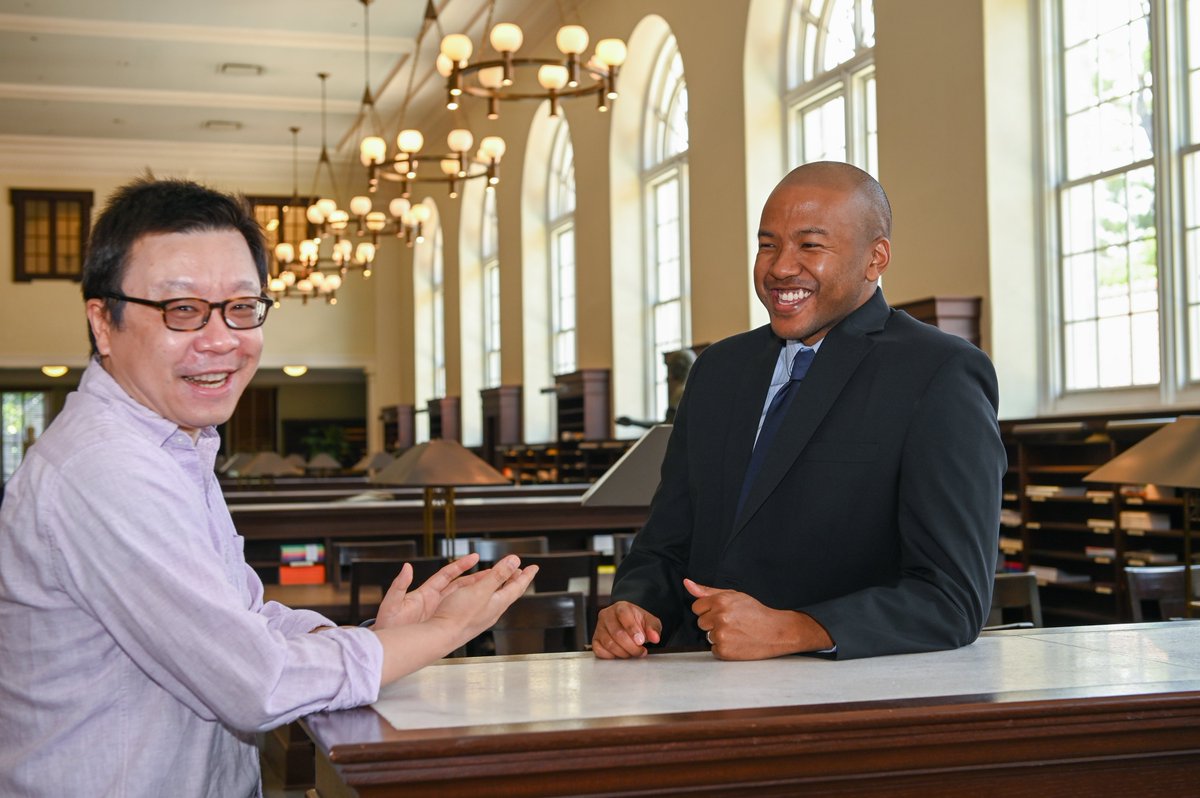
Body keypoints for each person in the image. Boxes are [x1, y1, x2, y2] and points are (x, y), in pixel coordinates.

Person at [0, 177, 537, 797]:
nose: (221, 339)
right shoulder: (106, 468)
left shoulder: (175, 444)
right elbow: (256, 682)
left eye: (242, 307)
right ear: (104, 322)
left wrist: (374, 638)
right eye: (182, 310)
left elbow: (241, 619)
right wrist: (441, 632)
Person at [593, 161, 1005, 662]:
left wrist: (798, 629)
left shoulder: (940, 373)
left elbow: (952, 599)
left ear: (876, 258)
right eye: (768, 244)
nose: (781, 267)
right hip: (696, 684)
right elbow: (667, 541)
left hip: (845, 701)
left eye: (810, 245)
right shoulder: (718, 370)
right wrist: (634, 607)